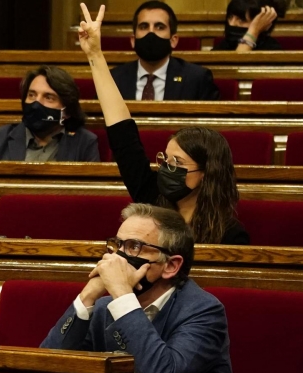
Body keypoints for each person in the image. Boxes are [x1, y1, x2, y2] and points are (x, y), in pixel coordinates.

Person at [40, 201, 250, 373]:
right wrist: (87, 296)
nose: (117, 258)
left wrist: (121, 291)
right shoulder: (106, 308)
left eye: (134, 247)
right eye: (117, 245)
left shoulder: (203, 311)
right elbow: (48, 366)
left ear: (171, 266)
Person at [78, 4, 249, 245]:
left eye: (177, 163)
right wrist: (94, 54)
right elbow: (123, 137)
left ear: (206, 173)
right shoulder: (153, 198)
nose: (167, 170)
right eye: (165, 160)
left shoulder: (230, 234)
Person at [0, 66, 99, 162]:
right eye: (31, 95)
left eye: (48, 97)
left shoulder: (84, 143)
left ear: (66, 111)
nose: (36, 103)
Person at [110, 2, 220, 101]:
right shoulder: (114, 79)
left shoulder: (197, 79)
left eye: (159, 27)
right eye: (144, 27)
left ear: (173, 40)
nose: (151, 33)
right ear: (133, 40)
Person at [213, 0, 287, 51]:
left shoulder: (272, 49)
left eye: (241, 20)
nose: (231, 24)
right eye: (230, 17)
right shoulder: (224, 45)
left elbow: (238, 68)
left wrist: (253, 31)